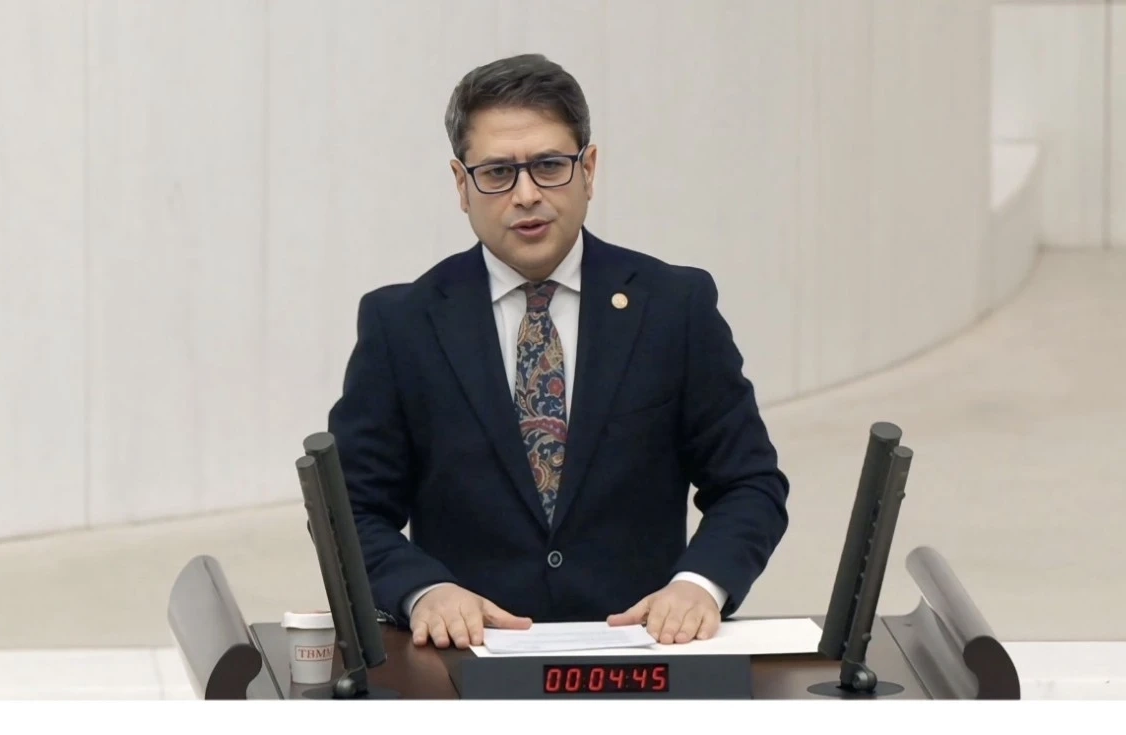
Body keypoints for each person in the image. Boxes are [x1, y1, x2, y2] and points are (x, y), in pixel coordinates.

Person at [328, 53, 789, 651]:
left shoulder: (674, 308)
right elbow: (349, 510)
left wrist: (699, 586)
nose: (526, 195)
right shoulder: (403, 325)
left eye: (549, 166)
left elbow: (750, 483)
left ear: (588, 170)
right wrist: (424, 591)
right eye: (497, 172)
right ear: (462, 185)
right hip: (468, 663)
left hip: (643, 658)